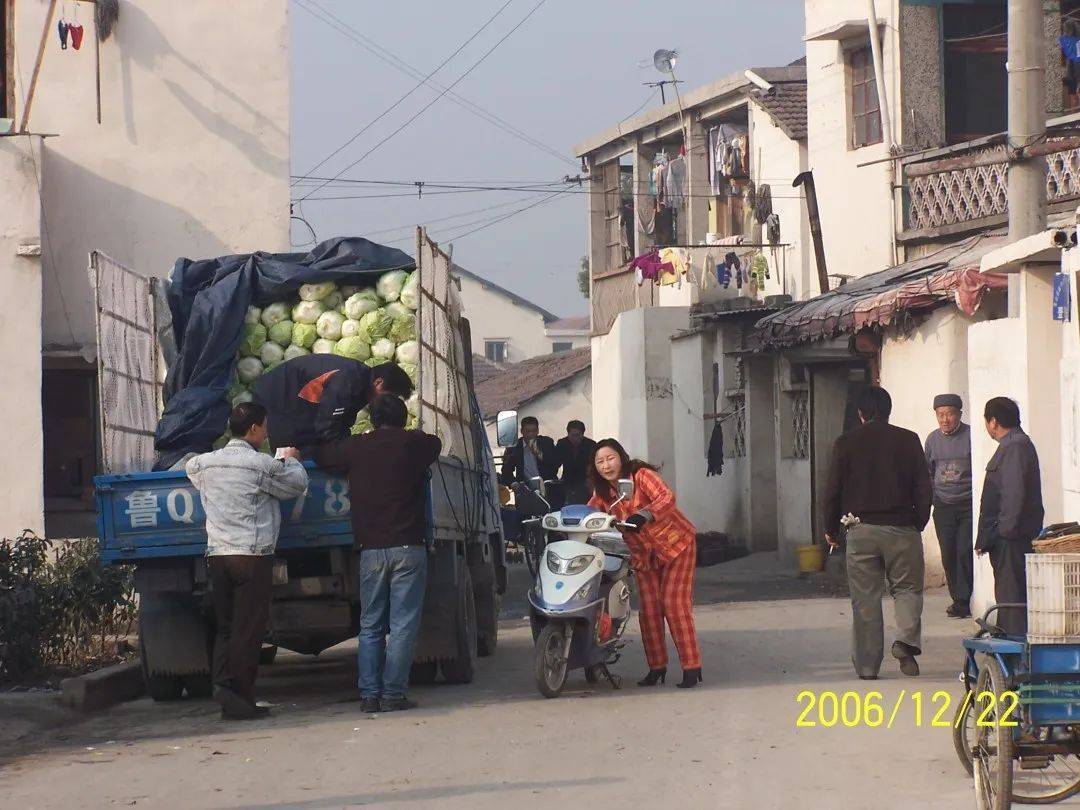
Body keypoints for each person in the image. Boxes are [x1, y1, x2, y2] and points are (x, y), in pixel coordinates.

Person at [315, 394, 441, 712]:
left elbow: (323, 454)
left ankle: (369, 695)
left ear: (372, 420)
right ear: (403, 418)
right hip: (408, 548)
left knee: (370, 624)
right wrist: (410, 433)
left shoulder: (356, 447)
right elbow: (436, 443)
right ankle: (393, 694)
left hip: (370, 549)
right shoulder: (413, 445)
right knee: (402, 625)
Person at [186, 403, 309, 720]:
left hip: (219, 556)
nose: (266, 432)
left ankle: (223, 686)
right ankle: (240, 697)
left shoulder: (204, 464)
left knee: (226, 627)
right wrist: (290, 460)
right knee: (248, 629)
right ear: (253, 428)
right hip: (252, 556)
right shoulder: (261, 466)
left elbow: (190, 470)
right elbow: (295, 485)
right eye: (265, 426)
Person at [823, 387, 931, 680]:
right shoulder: (908, 440)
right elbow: (923, 486)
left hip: (861, 530)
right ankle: (906, 641)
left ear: (861, 414)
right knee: (907, 589)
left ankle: (869, 667)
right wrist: (917, 522)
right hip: (902, 529)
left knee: (865, 599)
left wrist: (831, 529)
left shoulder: (846, 443)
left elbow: (832, 490)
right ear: (888, 410)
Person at [587, 439, 702, 689]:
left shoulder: (641, 475)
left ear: (622, 457)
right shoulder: (602, 493)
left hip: (676, 545)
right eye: (600, 461)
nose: (606, 465)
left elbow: (666, 497)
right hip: (643, 555)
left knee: (673, 605)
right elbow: (588, 515)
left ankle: (691, 667)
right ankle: (656, 667)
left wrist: (645, 514)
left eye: (610, 458)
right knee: (649, 611)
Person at [975, 397, 1044, 635]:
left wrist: (1003, 533)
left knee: (1011, 597)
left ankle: (1015, 656)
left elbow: (1013, 495)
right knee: (1007, 596)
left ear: (993, 422)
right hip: (1006, 536)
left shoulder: (1015, 446)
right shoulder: (1013, 445)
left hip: (1011, 539)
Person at [253, 354, 413, 450]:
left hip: (298, 402)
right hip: (279, 394)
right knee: (291, 447)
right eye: (390, 396)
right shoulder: (348, 381)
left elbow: (342, 423)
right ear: (378, 383)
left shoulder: (362, 384)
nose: (388, 402)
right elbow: (327, 427)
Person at [924, 394, 974, 619]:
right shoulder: (932, 440)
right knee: (948, 554)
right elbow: (927, 472)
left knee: (964, 551)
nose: (945, 419)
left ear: (959, 415)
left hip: (967, 505)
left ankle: (964, 599)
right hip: (943, 506)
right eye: (940, 414)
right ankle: (958, 599)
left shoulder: (971, 436)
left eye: (950, 414)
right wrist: (933, 498)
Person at [499, 416, 559, 488]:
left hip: (548, 487)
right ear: (522, 431)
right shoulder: (513, 447)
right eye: (527, 431)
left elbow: (554, 465)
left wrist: (537, 451)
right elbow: (506, 472)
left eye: (534, 431)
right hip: (525, 490)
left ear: (538, 431)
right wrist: (513, 483)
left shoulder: (547, 442)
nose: (531, 434)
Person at [555, 420, 597, 505]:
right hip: (567, 481)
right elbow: (556, 462)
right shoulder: (562, 443)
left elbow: (593, 464)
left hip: (584, 481)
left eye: (578, 435)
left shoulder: (591, 444)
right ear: (568, 433)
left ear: (582, 434)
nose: (575, 438)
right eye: (572, 435)